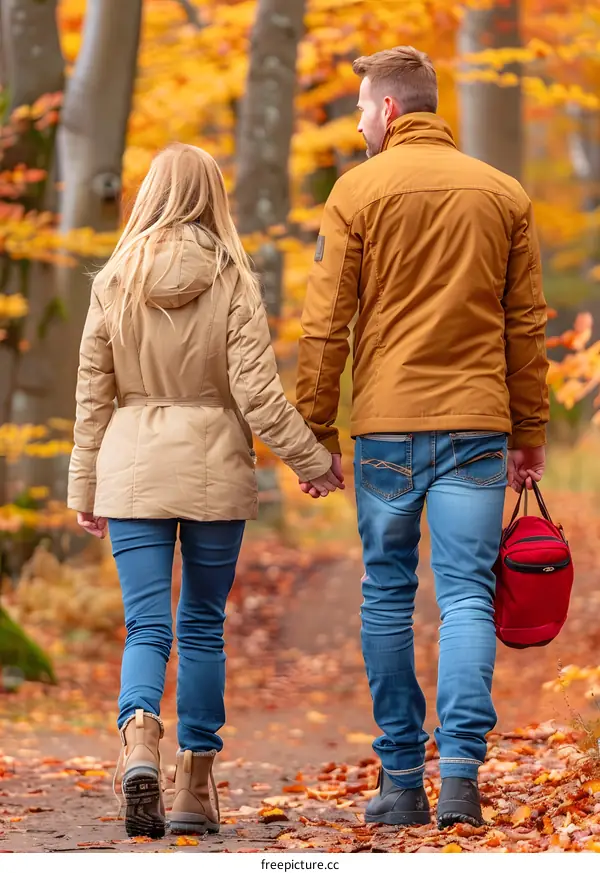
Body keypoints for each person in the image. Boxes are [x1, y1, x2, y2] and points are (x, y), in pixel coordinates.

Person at [295, 46, 549, 829]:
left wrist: (314, 429)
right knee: (469, 592)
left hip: (387, 429)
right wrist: (529, 428)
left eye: (364, 108)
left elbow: (325, 322)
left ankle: (403, 779)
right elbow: (527, 325)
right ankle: (464, 777)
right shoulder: (502, 193)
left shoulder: (356, 192)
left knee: (388, 594)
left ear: (392, 110)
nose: (361, 121)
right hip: (477, 422)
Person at [67, 143, 342, 839]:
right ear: (212, 196)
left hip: (131, 469)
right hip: (216, 467)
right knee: (201, 625)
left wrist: (84, 483)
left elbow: (92, 396)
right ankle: (193, 783)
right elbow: (257, 393)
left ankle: (136, 739)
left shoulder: (116, 279)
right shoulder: (232, 277)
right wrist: (312, 460)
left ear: (152, 194)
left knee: (148, 626)